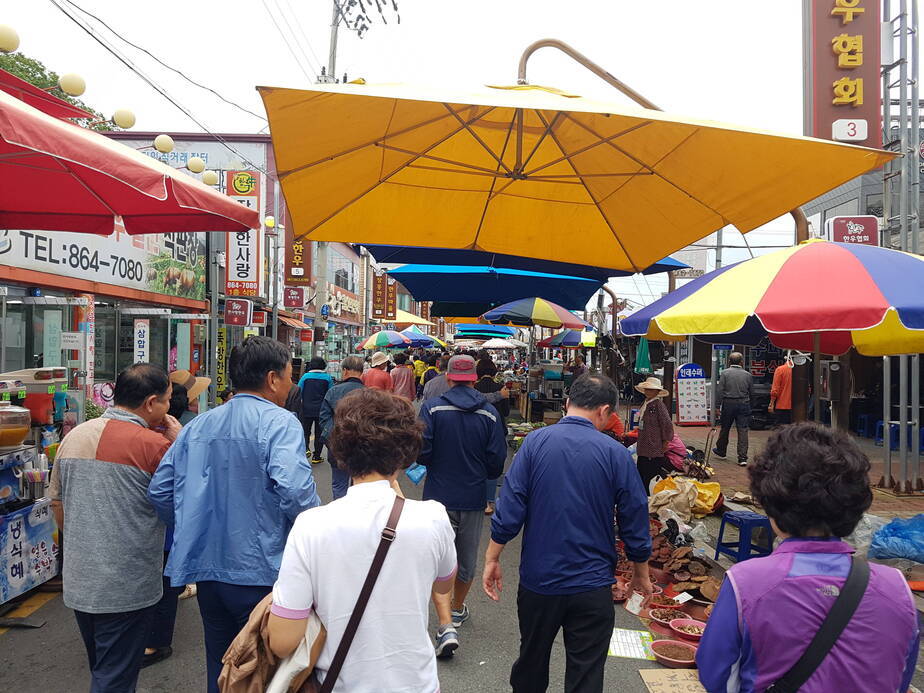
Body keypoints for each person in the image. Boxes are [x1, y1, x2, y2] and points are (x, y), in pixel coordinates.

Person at [148, 336, 320, 693]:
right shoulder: (280, 423)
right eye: (289, 375)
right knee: (263, 669)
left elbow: (161, 490)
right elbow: (296, 491)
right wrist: (316, 538)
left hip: (206, 566)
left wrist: (191, 525)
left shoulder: (198, 425)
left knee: (222, 663)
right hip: (262, 567)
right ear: (273, 378)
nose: (290, 383)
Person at [697, 423, 919, 692]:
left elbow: (717, 677)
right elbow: (900, 678)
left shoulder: (746, 583)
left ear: (771, 502)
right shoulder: (897, 588)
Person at [267, 389, 458, 691]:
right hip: (416, 684)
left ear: (341, 449)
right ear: (406, 451)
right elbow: (444, 585)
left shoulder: (311, 526)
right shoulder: (433, 518)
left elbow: (282, 641)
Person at [483, 373, 652, 692]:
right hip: (592, 585)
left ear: (567, 403)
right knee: (586, 673)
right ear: (604, 411)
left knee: (531, 661)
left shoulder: (535, 443)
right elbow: (634, 516)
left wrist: (493, 557)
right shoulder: (615, 453)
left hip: (539, 581)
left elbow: (511, 505)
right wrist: (640, 573)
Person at [50, 363, 180, 693]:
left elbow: (56, 503)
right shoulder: (155, 447)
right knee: (114, 677)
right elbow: (185, 505)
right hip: (127, 584)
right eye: (166, 400)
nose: (168, 408)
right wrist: (179, 443)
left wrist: (83, 543)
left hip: (81, 579)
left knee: (104, 667)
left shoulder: (74, 436)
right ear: (151, 403)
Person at [418, 354, 507, 657]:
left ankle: (440, 614)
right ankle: (456, 609)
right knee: (466, 557)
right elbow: (496, 463)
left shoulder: (432, 408)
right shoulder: (490, 414)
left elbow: (422, 451)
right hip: (471, 497)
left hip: (437, 495)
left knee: (437, 556)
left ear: (450, 376)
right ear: (473, 378)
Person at [319, 355, 366, 500]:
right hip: (362, 447)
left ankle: (340, 516)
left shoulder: (333, 391)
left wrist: (332, 439)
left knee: (339, 484)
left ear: (345, 371)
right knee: (359, 484)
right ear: (361, 372)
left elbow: (323, 419)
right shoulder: (369, 393)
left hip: (337, 446)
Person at [474, 359, 510, 516]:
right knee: (493, 463)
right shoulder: (501, 389)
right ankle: (490, 501)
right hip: (498, 429)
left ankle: (479, 499)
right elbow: (507, 412)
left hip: (478, 429)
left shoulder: (473, 388)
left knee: (478, 462)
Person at [634, 376, 675, 494]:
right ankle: (642, 492)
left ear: (657, 391)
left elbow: (666, 423)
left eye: (651, 389)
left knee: (650, 471)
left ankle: (648, 493)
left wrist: (666, 441)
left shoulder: (658, 405)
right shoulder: (646, 403)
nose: (648, 391)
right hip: (643, 442)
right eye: (647, 389)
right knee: (642, 468)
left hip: (653, 442)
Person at [713, 351, 754, 466]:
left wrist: (717, 406)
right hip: (743, 404)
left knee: (725, 428)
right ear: (741, 362)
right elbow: (752, 392)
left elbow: (720, 391)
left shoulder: (725, 373)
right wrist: (752, 406)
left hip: (728, 404)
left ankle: (721, 450)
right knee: (743, 430)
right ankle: (742, 458)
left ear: (729, 361)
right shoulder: (748, 375)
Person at [297, 357, 334, 463]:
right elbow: (330, 393)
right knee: (319, 433)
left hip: (306, 409)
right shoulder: (327, 378)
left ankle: (305, 449)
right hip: (322, 411)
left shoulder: (305, 377)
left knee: (305, 431)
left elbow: (299, 391)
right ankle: (316, 456)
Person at [769, 358, 793, 427]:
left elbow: (775, 390)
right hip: (798, 407)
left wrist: (772, 403)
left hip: (782, 405)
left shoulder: (780, 369)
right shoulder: (801, 370)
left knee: (781, 429)